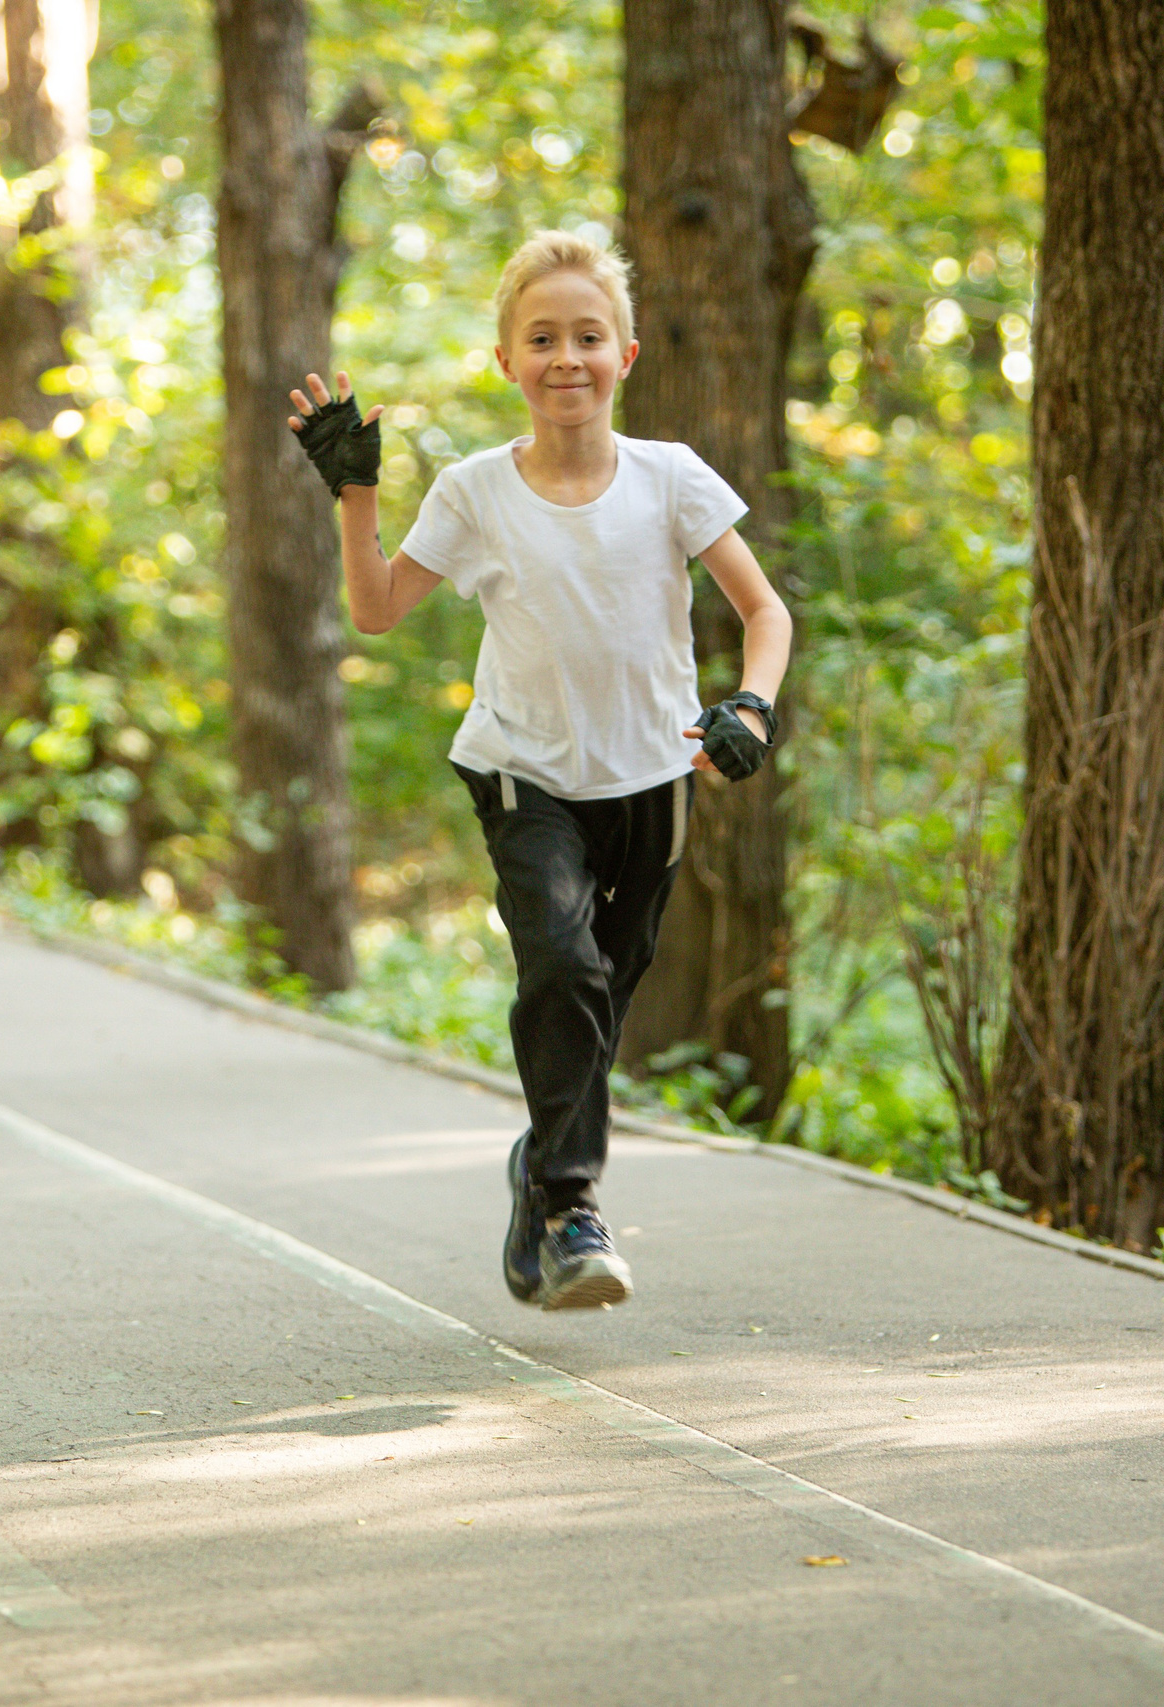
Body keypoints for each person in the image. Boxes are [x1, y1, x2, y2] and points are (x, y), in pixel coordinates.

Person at [288, 230, 792, 1311]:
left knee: (598, 1004)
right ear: (506, 362)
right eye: (542, 339)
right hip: (523, 772)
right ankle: (570, 1206)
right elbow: (376, 611)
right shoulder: (476, 492)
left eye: (588, 337)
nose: (567, 357)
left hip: (652, 778)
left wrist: (753, 700)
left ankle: (537, 1177)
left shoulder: (671, 480)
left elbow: (765, 610)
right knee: (561, 972)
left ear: (628, 355)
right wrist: (355, 494)